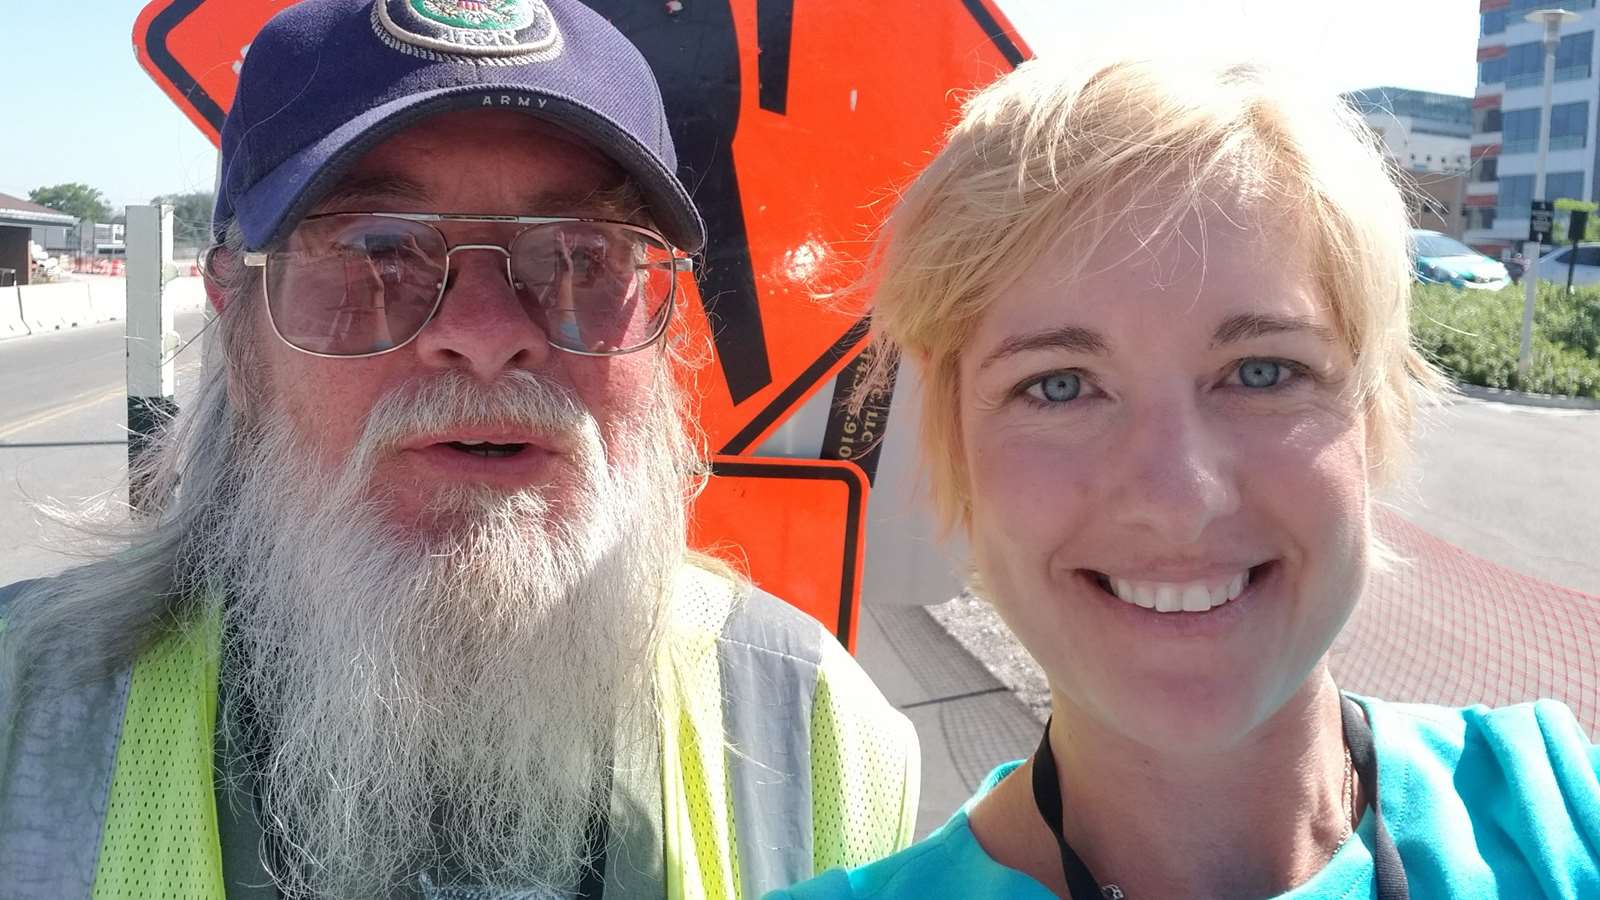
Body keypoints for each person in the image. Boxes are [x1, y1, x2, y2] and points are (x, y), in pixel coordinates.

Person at [0, 1, 918, 897]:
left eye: (582, 257)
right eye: (377, 252)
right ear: (238, 323)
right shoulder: (22, 711)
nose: (485, 334)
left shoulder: (819, 730)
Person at [772, 57, 1600, 900]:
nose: (1178, 500)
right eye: (1059, 384)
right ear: (955, 449)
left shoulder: (1564, 817)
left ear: (1375, 414)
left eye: (1263, 372)